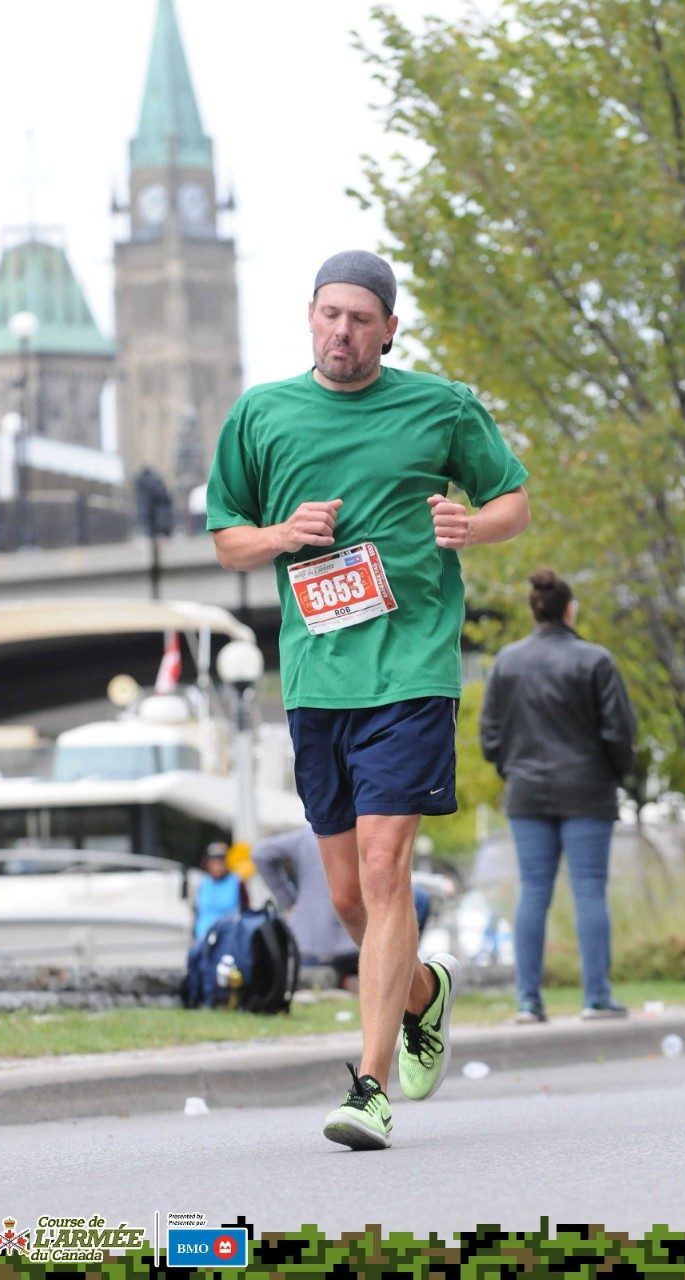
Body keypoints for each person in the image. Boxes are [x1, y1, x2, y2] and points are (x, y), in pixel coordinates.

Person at [207, 249, 529, 1150]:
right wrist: (280, 532)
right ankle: (425, 994)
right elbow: (228, 540)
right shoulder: (261, 415)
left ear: (390, 328)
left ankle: (370, 1087)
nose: (342, 331)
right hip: (318, 682)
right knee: (348, 899)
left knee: (388, 871)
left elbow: (513, 501)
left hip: (413, 671)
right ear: (309, 316)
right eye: (329, 314)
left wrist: (473, 523)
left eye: (361, 318)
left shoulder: (442, 406)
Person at [479, 568, 637, 1025]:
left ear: (536, 609)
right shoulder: (596, 661)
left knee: (533, 892)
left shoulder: (506, 662)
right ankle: (596, 998)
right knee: (590, 891)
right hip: (588, 790)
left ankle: (528, 1001)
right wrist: (615, 772)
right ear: (570, 610)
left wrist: (512, 767)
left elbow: (489, 735)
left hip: (526, 792)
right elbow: (619, 732)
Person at [252, 825, 433, 988]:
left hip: (307, 949)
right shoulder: (371, 837)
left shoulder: (307, 836)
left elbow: (260, 853)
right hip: (354, 950)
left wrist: (289, 901)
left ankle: (337, 979)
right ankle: (393, 969)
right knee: (420, 898)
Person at [193, 841, 248, 942]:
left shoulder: (237, 881)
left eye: (221, 861)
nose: (218, 866)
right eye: (214, 862)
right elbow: (197, 911)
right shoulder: (203, 882)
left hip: (228, 939)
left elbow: (246, 910)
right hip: (203, 937)